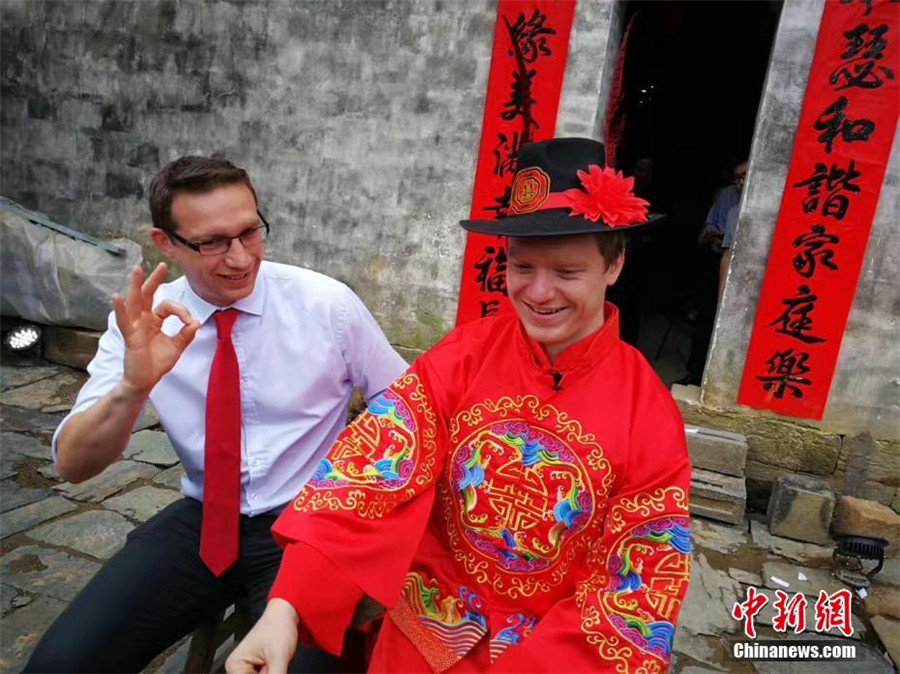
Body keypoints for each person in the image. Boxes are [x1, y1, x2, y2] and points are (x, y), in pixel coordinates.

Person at [228, 138, 692, 673]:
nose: (539, 293)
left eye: (567, 273)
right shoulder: (462, 358)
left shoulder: (648, 413)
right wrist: (286, 608)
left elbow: (637, 588)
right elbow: (369, 477)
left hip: (553, 652)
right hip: (423, 634)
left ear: (614, 266)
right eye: (522, 268)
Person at [24, 156, 408, 673]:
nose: (240, 257)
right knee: (62, 663)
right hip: (203, 523)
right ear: (166, 244)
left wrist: (361, 506)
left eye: (250, 232)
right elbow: (73, 465)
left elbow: (407, 408)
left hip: (308, 528)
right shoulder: (145, 321)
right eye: (212, 242)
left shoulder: (326, 305)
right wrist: (134, 388)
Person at [679, 159, 747, 386]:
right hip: (717, 259)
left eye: (745, 176)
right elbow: (708, 225)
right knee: (705, 321)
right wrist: (711, 233)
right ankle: (695, 374)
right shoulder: (727, 196)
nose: (740, 182)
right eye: (737, 177)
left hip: (745, 273)